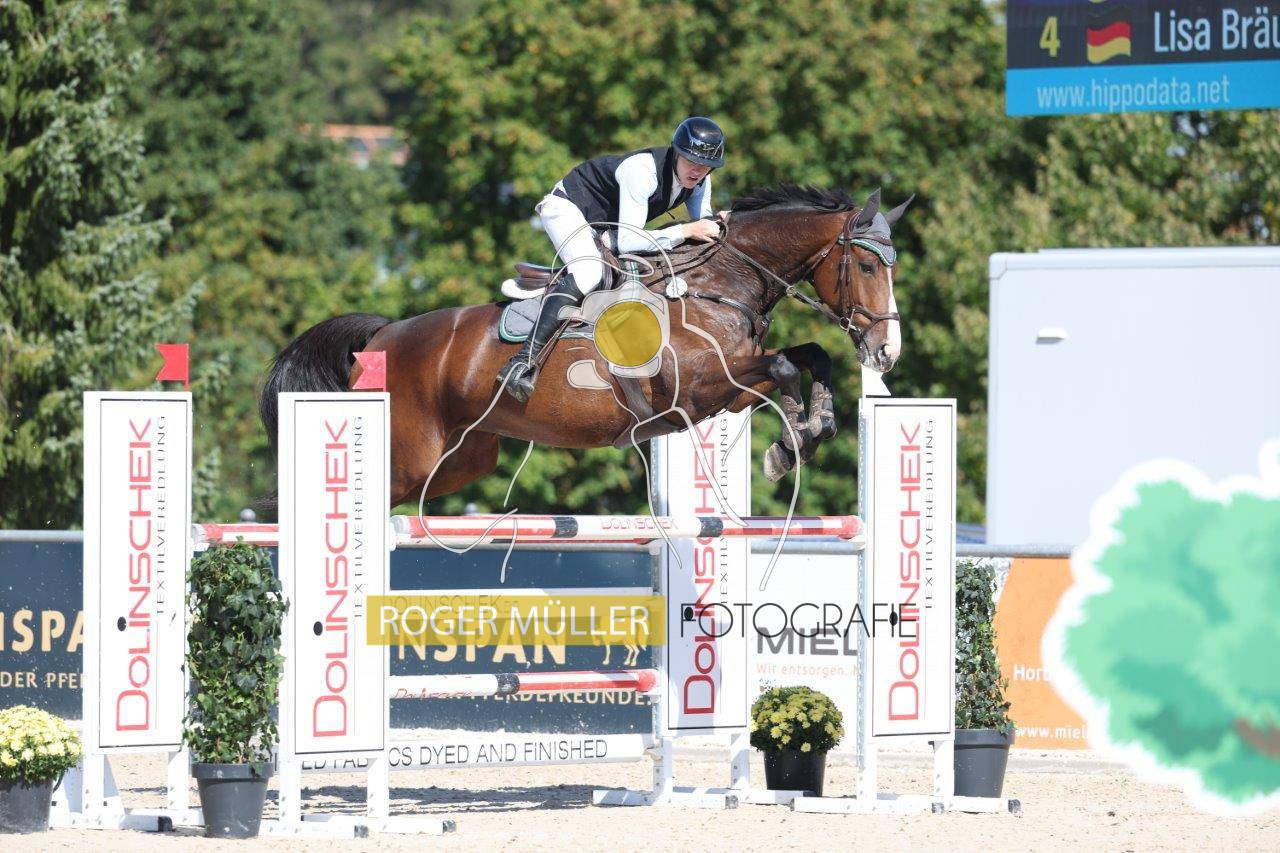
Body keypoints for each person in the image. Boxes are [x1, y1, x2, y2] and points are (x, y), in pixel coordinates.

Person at [497, 116, 727, 402]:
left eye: (706, 165)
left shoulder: (700, 181)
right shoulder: (642, 171)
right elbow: (631, 240)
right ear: (676, 153)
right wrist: (685, 230)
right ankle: (522, 361)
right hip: (568, 208)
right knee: (589, 273)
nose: (698, 170)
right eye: (692, 161)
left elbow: (703, 223)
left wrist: (724, 222)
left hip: (605, 228)